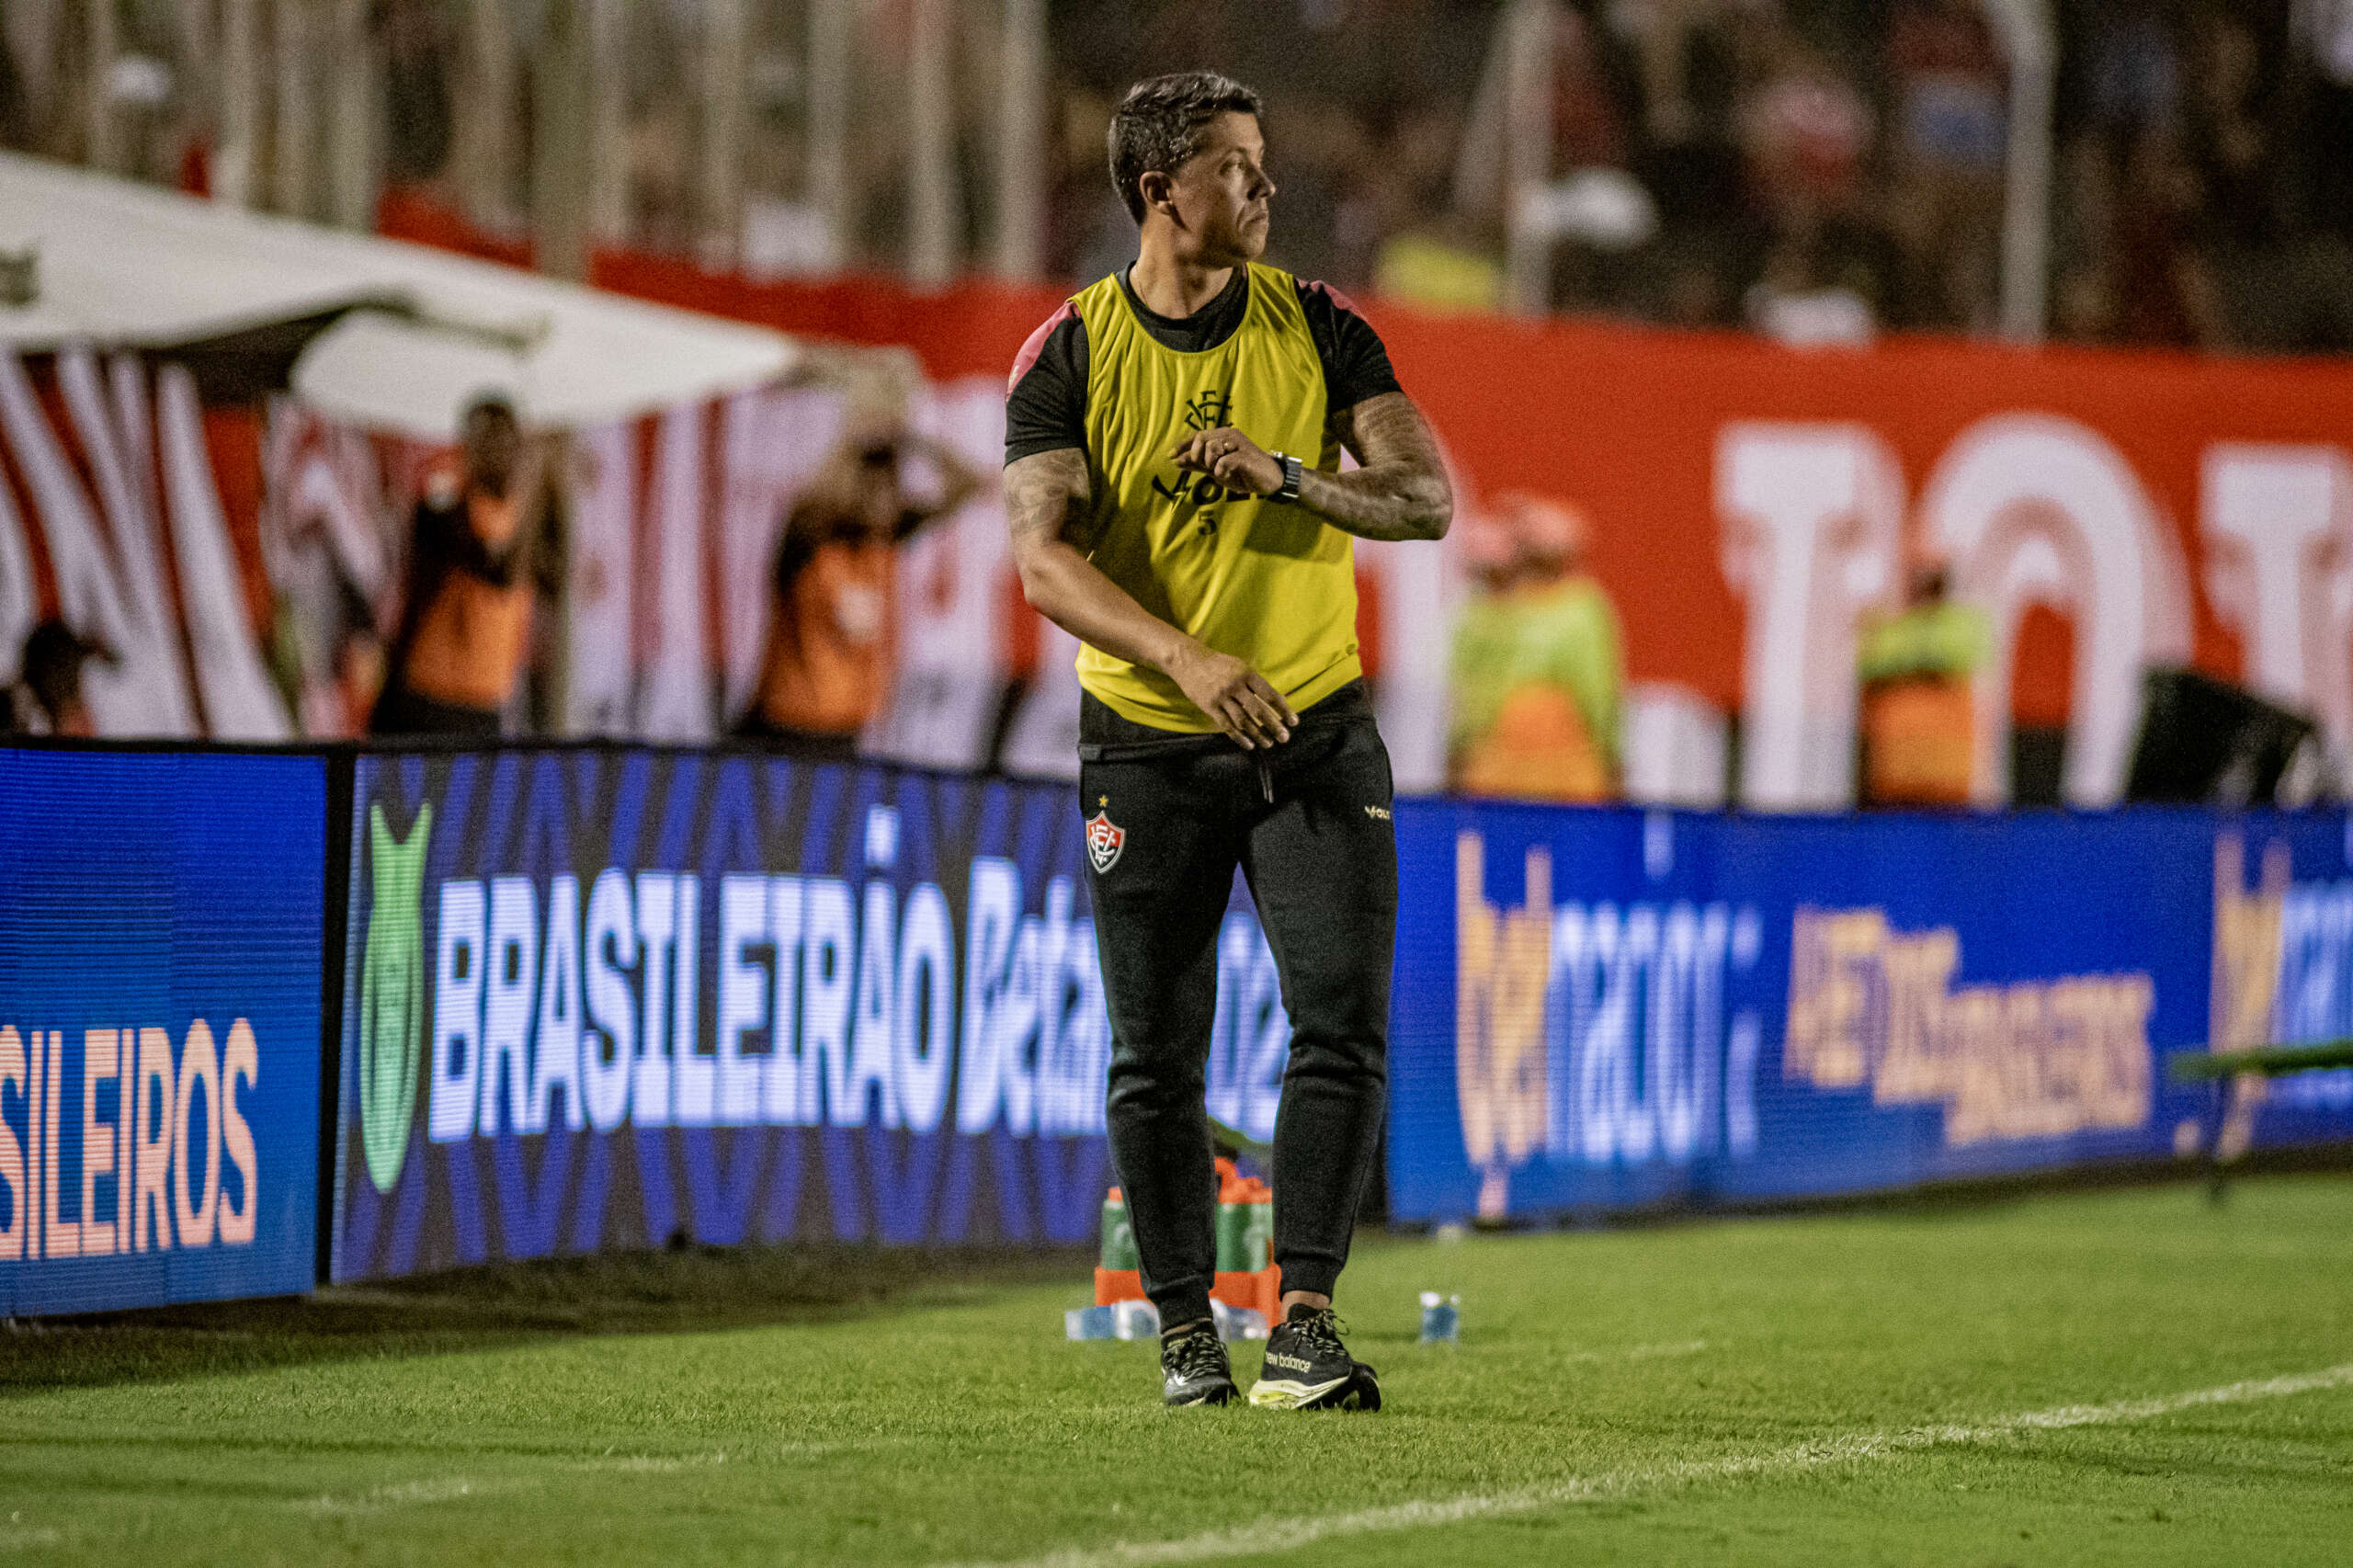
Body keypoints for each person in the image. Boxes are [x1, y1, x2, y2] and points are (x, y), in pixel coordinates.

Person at [1004, 71, 1451, 1411]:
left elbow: (1426, 499)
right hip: (1147, 742)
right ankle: (1187, 1332)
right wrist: (1185, 658)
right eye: (1238, 167)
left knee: (1341, 1025)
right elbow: (1041, 564)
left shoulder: (1320, 326)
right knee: (1155, 1048)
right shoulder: (1073, 352)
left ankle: (1303, 1322)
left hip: (1314, 732)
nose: (1266, 188)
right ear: (1161, 192)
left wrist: (1291, 474)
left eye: (1264, 163)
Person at [736, 426, 984, 761]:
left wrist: (912, 438)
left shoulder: (884, 542)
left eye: (889, 487)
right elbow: (812, 496)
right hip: (783, 728)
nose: (879, 499)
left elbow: (969, 486)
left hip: (844, 733)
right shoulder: (809, 541)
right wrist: (854, 434)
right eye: (868, 486)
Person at [372, 395, 556, 739]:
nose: (495, 451)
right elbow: (496, 572)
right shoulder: (446, 506)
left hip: (485, 700)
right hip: (429, 693)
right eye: (483, 438)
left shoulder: (520, 515)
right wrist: (533, 483)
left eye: (503, 439)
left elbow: (553, 579)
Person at [1449, 495, 1624, 802]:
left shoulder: (1484, 611)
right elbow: (1598, 697)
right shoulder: (1582, 605)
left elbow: (1469, 700)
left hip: (1535, 772)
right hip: (1531, 774)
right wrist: (1611, 756)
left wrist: (1459, 752)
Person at [1858, 559, 1989, 806]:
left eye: (1933, 576)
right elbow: (1872, 661)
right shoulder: (1891, 622)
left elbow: (1956, 654)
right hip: (1895, 766)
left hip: (1948, 769)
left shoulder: (1961, 621)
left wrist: (1907, 662)